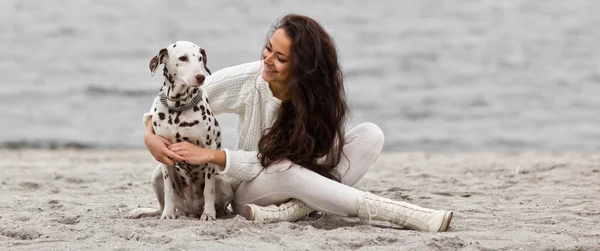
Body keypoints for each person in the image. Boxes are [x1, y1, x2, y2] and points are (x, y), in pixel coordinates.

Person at [143, 14, 453, 232]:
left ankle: (293, 211)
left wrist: (213, 155)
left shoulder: (318, 100)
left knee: (371, 135)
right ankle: (400, 213)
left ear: (303, 68)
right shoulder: (247, 80)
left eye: (280, 57)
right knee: (283, 168)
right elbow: (170, 105)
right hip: (250, 188)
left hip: (302, 177)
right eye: (268, 48)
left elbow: (319, 158)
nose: (267, 60)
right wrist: (151, 138)